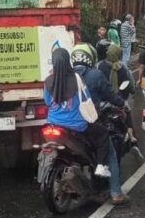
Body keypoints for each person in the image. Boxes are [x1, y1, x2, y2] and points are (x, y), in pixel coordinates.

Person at [70, 43, 129, 205]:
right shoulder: (95, 75)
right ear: (90, 58)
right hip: (88, 122)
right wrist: (120, 102)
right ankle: (116, 193)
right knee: (109, 152)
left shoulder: (65, 75)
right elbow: (110, 95)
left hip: (65, 124)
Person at [43, 48, 112, 178]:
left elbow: (47, 101)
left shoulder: (48, 81)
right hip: (76, 125)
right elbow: (86, 98)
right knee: (102, 133)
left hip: (52, 124)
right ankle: (101, 166)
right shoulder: (77, 79)